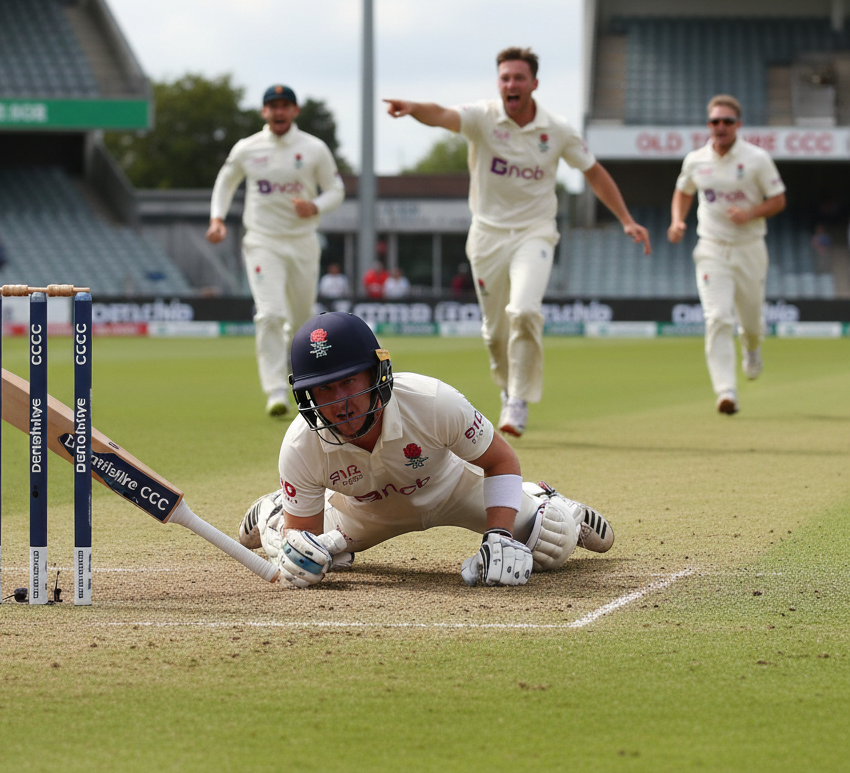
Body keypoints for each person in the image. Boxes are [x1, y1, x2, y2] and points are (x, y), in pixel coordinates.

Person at [237, 312, 614, 589]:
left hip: (452, 489)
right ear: (307, 396)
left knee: (550, 543)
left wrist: (499, 536)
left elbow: (500, 460)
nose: (341, 403)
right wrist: (302, 554)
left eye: (349, 382)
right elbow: (304, 539)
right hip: (364, 511)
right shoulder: (300, 444)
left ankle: (546, 500)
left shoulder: (431, 401)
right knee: (295, 553)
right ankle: (276, 509)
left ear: (376, 373)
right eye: (324, 389)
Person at [384, 46, 651, 437]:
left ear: (534, 84)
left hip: (534, 232)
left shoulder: (557, 129)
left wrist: (626, 219)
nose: (511, 84)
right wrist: (412, 107)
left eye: (519, 78)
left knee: (524, 311)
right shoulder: (483, 117)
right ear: (500, 83)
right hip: (487, 235)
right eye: (505, 78)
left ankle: (518, 399)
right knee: (495, 333)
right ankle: (508, 387)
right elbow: (441, 114)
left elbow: (593, 171)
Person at [207, 84, 345, 417]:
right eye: (273, 106)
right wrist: (217, 218)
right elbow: (226, 181)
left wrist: (315, 205)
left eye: (285, 106)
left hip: (302, 241)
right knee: (269, 313)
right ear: (264, 112)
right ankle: (275, 390)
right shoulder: (248, 148)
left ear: (295, 111)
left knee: (301, 321)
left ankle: (302, 375)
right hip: (262, 240)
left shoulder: (313, 148)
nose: (279, 111)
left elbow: (336, 189)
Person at [667, 95, 786, 415]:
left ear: (738, 125)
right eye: (715, 121)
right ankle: (726, 391)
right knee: (718, 317)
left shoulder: (757, 159)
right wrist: (677, 220)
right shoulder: (695, 160)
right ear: (708, 125)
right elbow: (683, 191)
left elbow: (778, 199)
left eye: (727, 121)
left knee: (751, 322)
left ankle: (752, 348)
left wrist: (750, 213)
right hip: (711, 247)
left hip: (750, 246)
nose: (720, 127)